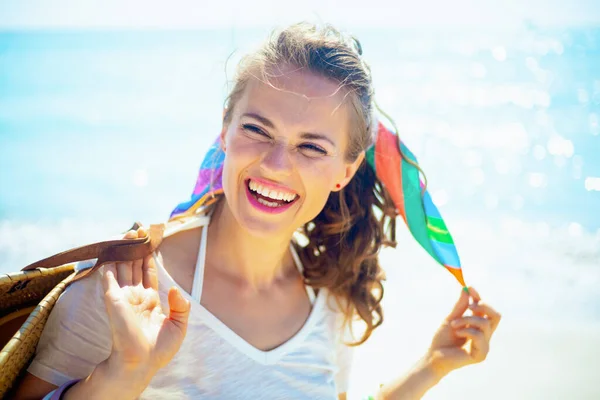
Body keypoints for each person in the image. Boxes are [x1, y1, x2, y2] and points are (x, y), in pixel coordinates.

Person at [12, 22, 501, 400]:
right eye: (257, 130)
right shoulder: (125, 290)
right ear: (224, 129)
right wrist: (125, 372)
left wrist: (431, 367)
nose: (275, 164)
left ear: (345, 172)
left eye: (311, 147)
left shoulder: (329, 299)